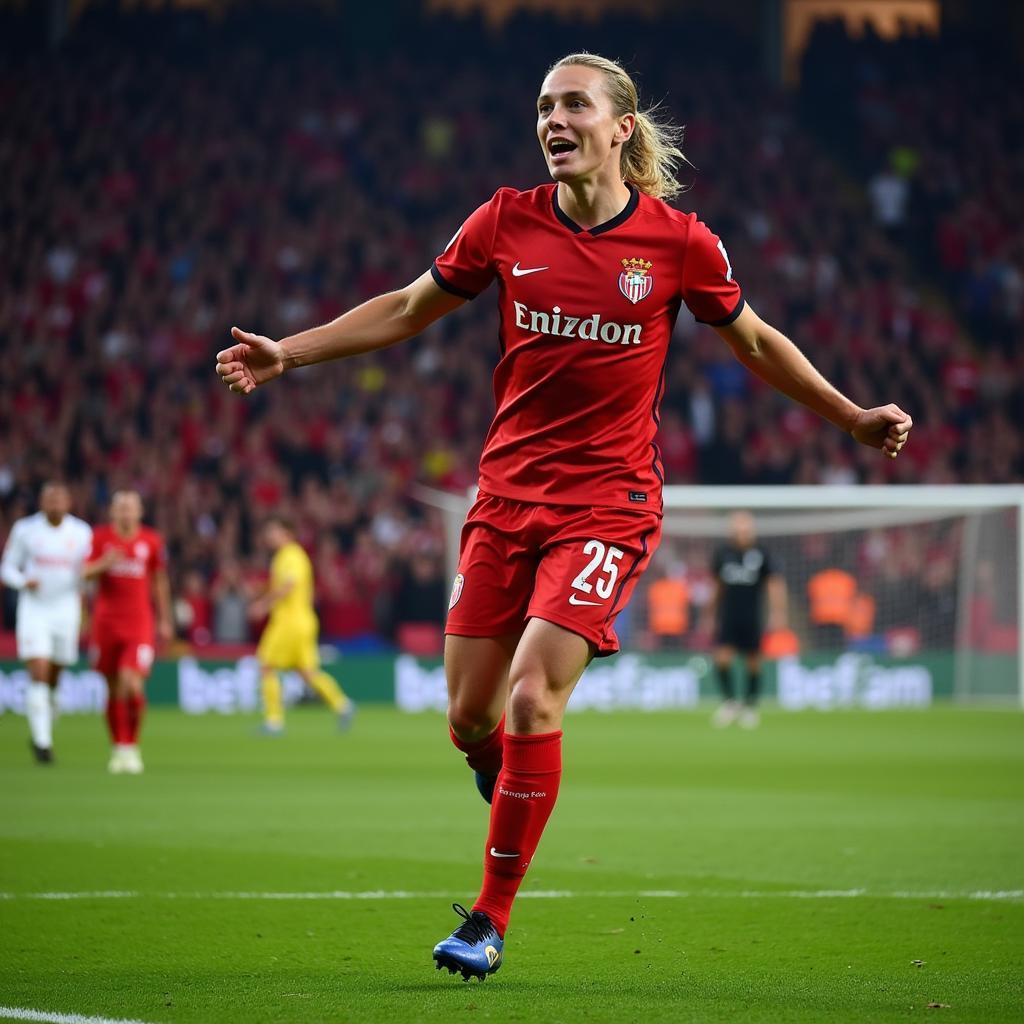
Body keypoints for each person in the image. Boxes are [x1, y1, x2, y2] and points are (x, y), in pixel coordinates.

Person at [215, 52, 912, 980]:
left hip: (608, 503)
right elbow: (409, 306)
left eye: (573, 104)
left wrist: (851, 416)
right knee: (468, 717)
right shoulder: (504, 221)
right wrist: (289, 355)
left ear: (621, 126)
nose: (553, 119)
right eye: (543, 106)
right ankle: (500, 769)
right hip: (503, 501)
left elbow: (753, 339)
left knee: (533, 695)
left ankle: (488, 920)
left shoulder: (679, 243)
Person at [0, 482, 92, 764]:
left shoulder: (81, 532)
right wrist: (22, 581)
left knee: (55, 672)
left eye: (59, 498)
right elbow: (7, 567)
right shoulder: (26, 530)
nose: (54, 503)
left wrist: (87, 605)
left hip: (66, 610)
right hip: (34, 609)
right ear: (41, 502)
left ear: (68, 502)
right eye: (49, 498)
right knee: (38, 669)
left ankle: (48, 714)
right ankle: (42, 742)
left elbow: (87, 572)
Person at [83, 490, 173, 775]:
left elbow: (160, 581)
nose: (125, 512)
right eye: (120, 507)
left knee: (131, 682)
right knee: (112, 688)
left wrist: (165, 619)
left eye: (130, 507)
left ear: (140, 511)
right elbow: (83, 574)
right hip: (106, 623)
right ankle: (118, 747)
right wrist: (104, 564)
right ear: (112, 511)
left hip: (139, 623)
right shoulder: (100, 538)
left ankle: (131, 745)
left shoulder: (151, 540)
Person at [249, 515, 354, 734]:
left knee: (266, 666)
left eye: (274, 531)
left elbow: (289, 584)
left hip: (290, 622)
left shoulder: (291, 554)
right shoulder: (287, 556)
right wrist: (262, 591)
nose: (269, 536)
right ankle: (343, 705)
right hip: (302, 621)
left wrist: (263, 605)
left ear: (287, 534)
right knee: (308, 672)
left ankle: (273, 722)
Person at [708, 511, 786, 729]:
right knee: (722, 659)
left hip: (752, 615)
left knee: (753, 662)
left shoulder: (762, 553)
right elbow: (717, 587)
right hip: (729, 615)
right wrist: (710, 613)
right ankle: (730, 703)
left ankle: (750, 707)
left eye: (745, 529)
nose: (742, 533)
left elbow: (775, 585)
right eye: (738, 529)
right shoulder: (723, 554)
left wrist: (777, 612)